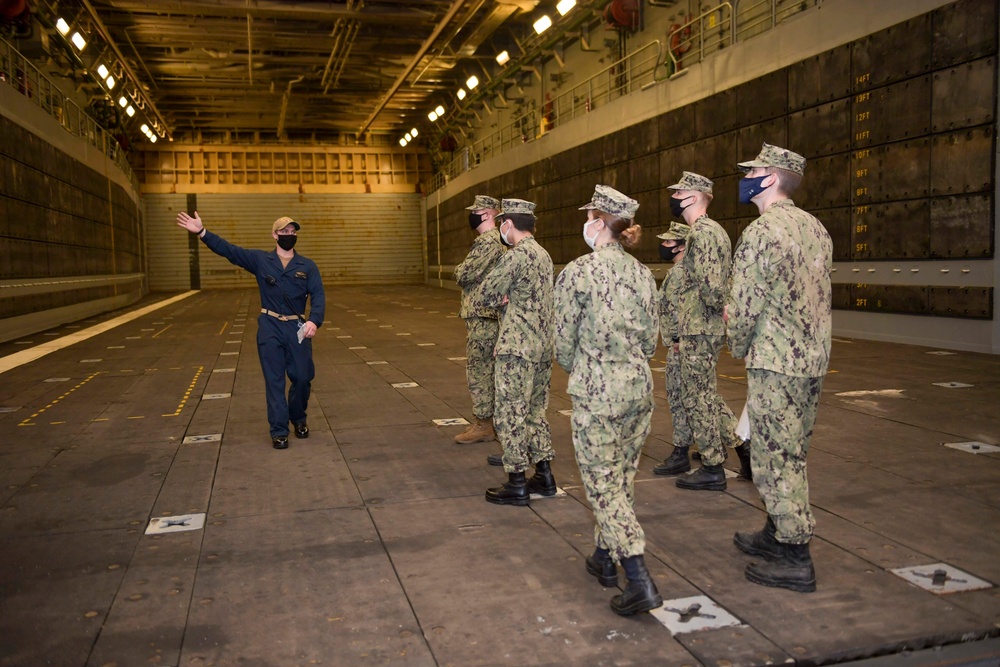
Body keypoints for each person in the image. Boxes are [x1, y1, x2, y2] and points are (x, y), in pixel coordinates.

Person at [727, 143, 832, 593]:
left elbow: (745, 304)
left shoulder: (761, 232)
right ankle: (776, 530)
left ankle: (794, 554)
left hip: (775, 360)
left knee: (774, 457)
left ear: (770, 179)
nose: (746, 177)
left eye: (753, 172)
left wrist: (735, 343)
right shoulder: (817, 228)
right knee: (792, 450)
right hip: (810, 360)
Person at [554, 185, 663, 617]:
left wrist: (585, 363)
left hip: (598, 392)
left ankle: (638, 578)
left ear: (598, 223)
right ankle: (604, 556)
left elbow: (562, 345)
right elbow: (653, 343)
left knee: (601, 483)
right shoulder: (643, 274)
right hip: (638, 388)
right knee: (620, 477)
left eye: (589, 216)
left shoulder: (578, 272)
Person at [176, 211, 325, 450]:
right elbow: (230, 251)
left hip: (298, 327)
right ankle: (279, 430)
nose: (289, 235)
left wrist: (314, 321)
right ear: (274, 235)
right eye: (284, 232)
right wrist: (203, 233)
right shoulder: (260, 260)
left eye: (292, 232)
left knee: (302, 377)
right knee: (274, 380)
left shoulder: (307, 266)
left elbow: (318, 296)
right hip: (270, 326)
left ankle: (298, 417)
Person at [661, 172, 751, 491]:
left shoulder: (705, 232)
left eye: (679, 192)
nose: (674, 197)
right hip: (696, 326)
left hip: (700, 327)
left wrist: (706, 312)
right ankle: (740, 446)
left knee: (698, 396)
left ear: (695, 196)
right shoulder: (702, 231)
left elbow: (712, 288)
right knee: (702, 394)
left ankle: (713, 465)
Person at [478, 198, 556, 506]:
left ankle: (516, 480)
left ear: (507, 224)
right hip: (541, 345)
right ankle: (544, 474)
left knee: (511, 412)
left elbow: (486, 294)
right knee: (536, 411)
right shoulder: (543, 254)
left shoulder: (516, 256)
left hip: (516, 346)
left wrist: (506, 296)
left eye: (502, 225)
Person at [452, 195, 505, 456]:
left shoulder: (489, 242)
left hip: (484, 316)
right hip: (488, 314)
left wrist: (461, 269)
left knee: (480, 369)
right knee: (489, 369)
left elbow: (464, 273)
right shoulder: (498, 241)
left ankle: (484, 424)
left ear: (487, 215)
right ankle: (493, 423)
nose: (472, 216)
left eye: (476, 212)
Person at [651, 221, 694, 476]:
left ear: (681, 246)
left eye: (668, 242)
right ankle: (722, 442)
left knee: (680, 398)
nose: (664, 246)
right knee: (696, 397)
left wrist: (678, 338)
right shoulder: (679, 270)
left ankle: (681, 452)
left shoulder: (680, 272)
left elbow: (680, 309)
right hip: (680, 343)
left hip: (680, 345)